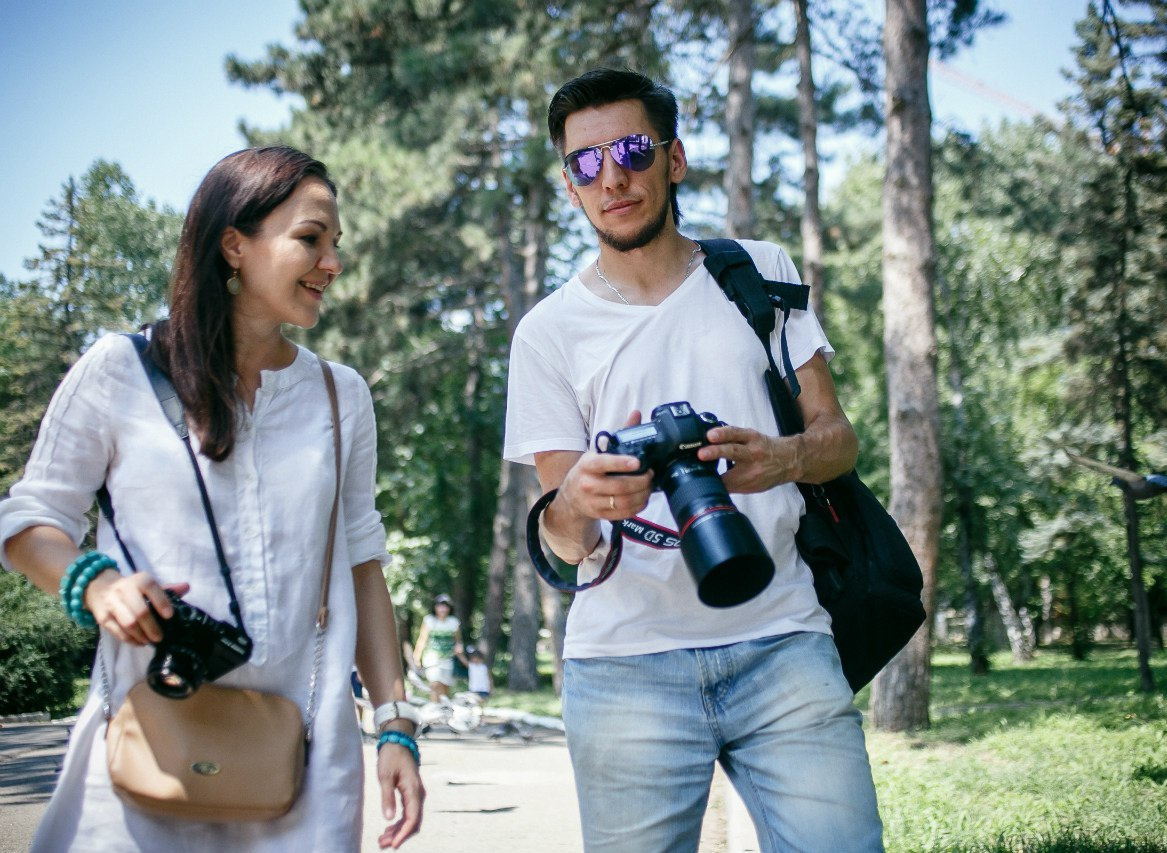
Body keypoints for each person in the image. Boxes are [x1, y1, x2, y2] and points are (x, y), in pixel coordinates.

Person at [0, 146, 425, 851]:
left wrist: (396, 725)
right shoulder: (119, 370)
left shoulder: (340, 395)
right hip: (144, 749)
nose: (332, 263)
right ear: (234, 244)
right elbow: (29, 519)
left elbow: (362, 564)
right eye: (310, 239)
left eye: (336, 243)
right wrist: (96, 585)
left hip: (305, 767)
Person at [503, 68, 884, 852]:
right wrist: (581, 499)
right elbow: (566, 543)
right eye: (585, 163)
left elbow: (838, 440)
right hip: (625, 665)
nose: (612, 177)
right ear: (570, 186)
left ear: (673, 159)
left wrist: (783, 457)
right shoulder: (547, 333)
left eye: (633, 150)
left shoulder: (760, 272)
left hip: (784, 638)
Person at [411, 593, 462, 702]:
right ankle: (434, 707)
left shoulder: (453, 622)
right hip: (432, 658)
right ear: (435, 607)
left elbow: (458, 640)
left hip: (448, 659)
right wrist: (417, 656)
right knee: (435, 684)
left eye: (445, 606)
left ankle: (443, 709)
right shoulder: (429, 620)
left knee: (445, 687)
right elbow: (422, 639)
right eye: (440, 606)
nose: (442, 609)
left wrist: (459, 649)